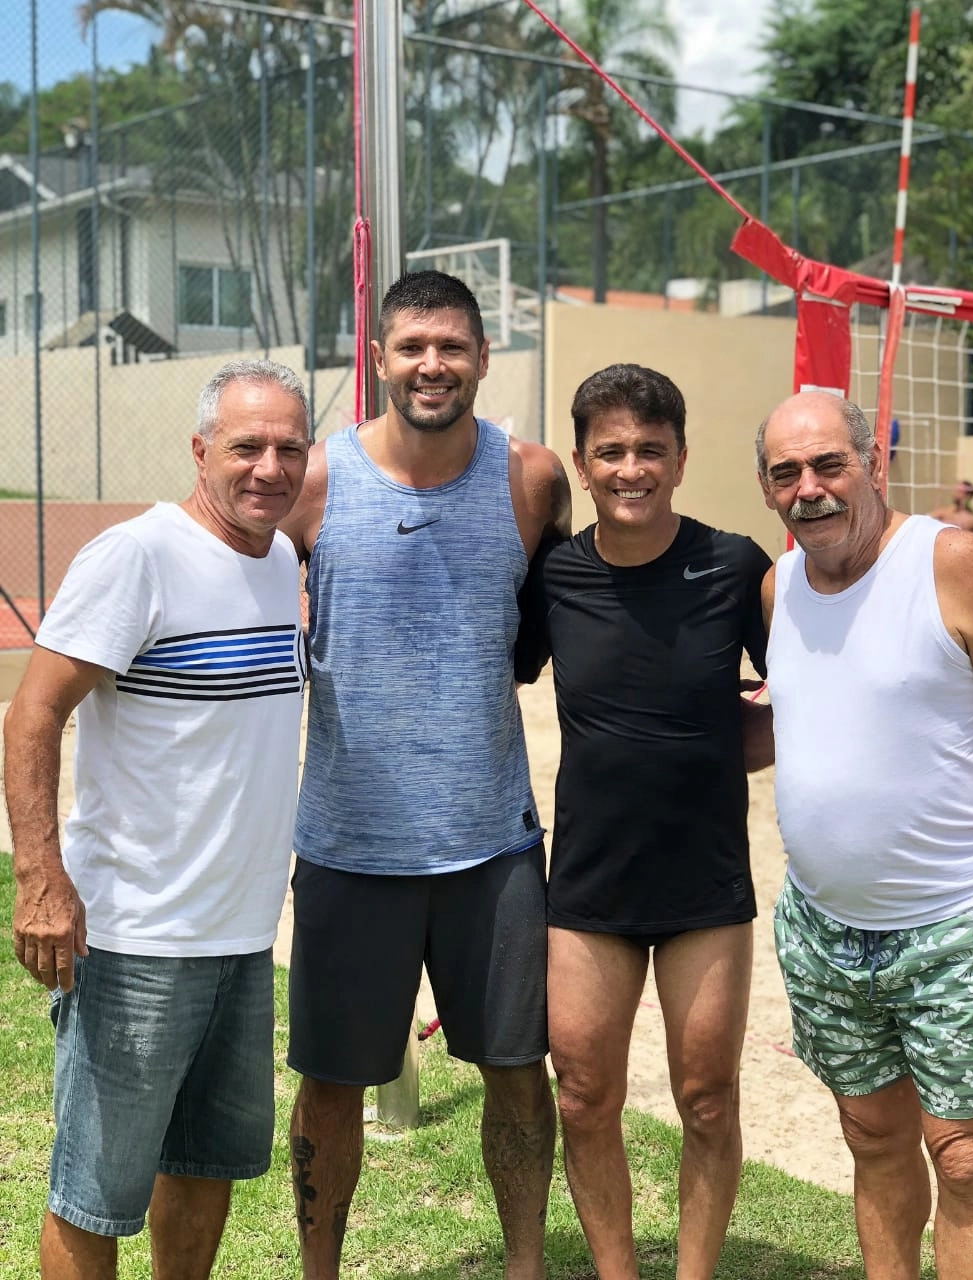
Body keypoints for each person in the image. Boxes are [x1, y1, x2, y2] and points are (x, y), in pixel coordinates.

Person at [281, 269, 571, 1280]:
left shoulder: (530, 478)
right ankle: (322, 1267)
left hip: (490, 839)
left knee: (517, 1073)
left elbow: (548, 635)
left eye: (451, 345)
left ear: (484, 356)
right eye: (412, 346)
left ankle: (525, 1263)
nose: (432, 364)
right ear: (378, 357)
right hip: (348, 844)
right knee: (327, 1083)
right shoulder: (314, 481)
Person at [2, 358, 311, 1279]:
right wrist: (41, 880)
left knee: (204, 1165)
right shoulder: (137, 556)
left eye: (288, 448)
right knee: (96, 1192)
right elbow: (32, 714)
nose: (268, 468)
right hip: (136, 936)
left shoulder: (279, 557)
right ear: (200, 449)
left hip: (243, 934)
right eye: (245, 446)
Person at [757, 390, 973, 1280]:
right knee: (872, 1142)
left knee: (966, 1156)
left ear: (874, 464)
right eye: (785, 472)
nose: (809, 489)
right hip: (824, 928)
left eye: (828, 464)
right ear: (765, 489)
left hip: (958, 924)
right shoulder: (778, 584)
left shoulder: (950, 562)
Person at [515, 363, 773, 1280]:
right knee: (584, 1097)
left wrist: (715, 743)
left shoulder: (735, 565)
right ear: (582, 466)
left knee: (707, 1099)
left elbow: (813, 692)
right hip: (589, 883)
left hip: (704, 881)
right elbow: (488, 670)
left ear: (681, 458)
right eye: (611, 451)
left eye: (650, 451)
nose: (632, 468)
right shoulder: (554, 578)